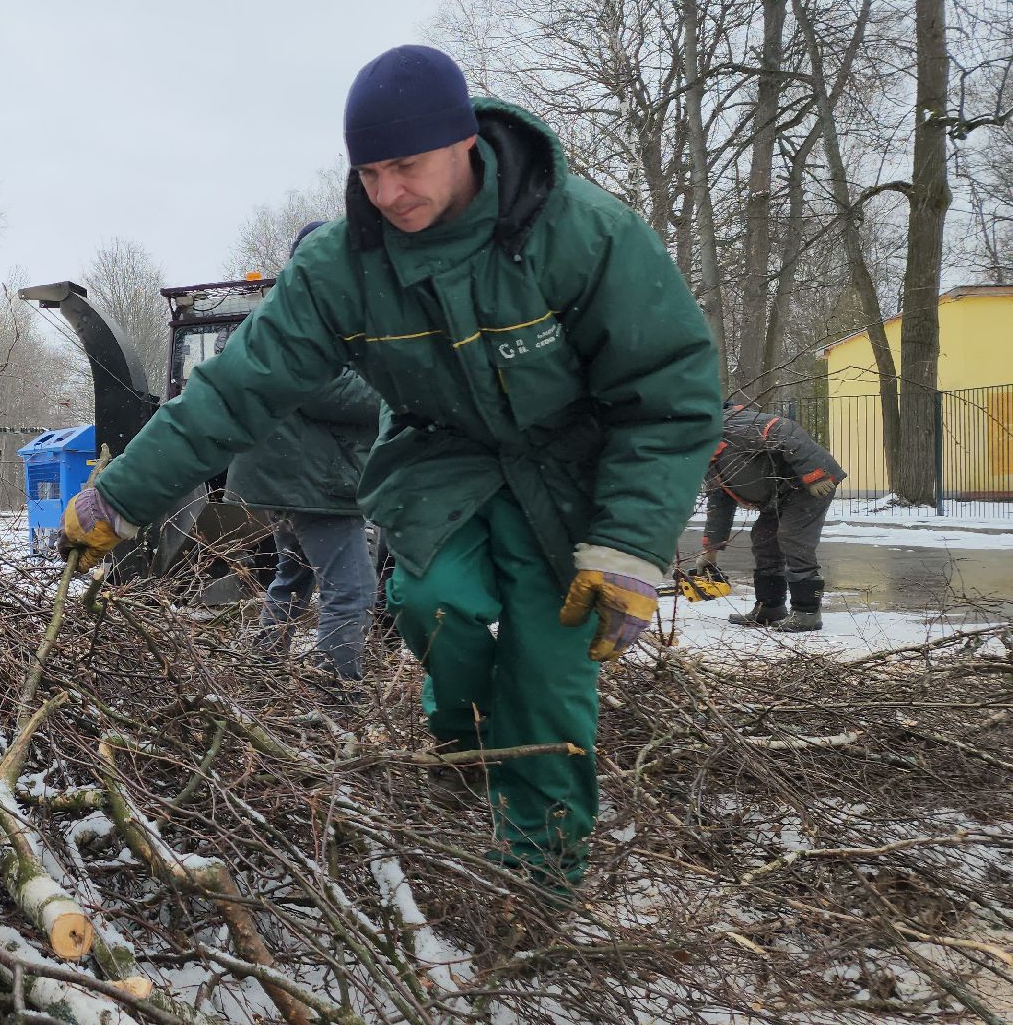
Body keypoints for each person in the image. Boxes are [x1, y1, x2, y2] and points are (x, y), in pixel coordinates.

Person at [60, 44, 720, 898]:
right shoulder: (341, 267)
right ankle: (463, 738)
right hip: (441, 457)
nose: (387, 194)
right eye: (368, 174)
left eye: (405, 167)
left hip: (573, 473)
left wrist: (632, 543)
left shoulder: (582, 233)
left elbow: (669, 390)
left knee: (549, 676)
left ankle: (540, 877)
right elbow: (236, 391)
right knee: (429, 605)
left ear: (465, 143)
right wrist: (121, 496)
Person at [226, 221, 386, 682]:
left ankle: (261, 674)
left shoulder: (288, 310)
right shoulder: (307, 315)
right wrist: (398, 393)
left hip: (290, 477)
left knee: (292, 580)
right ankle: (338, 692)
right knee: (352, 591)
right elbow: (327, 389)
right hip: (313, 481)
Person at [700, 403, 845, 632]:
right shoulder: (707, 456)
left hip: (809, 484)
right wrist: (710, 554)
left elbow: (783, 429)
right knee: (764, 538)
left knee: (792, 537)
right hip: (777, 494)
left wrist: (815, 473)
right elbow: (720, 503)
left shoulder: (733, 424)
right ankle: (770, 607)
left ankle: (807, 612)